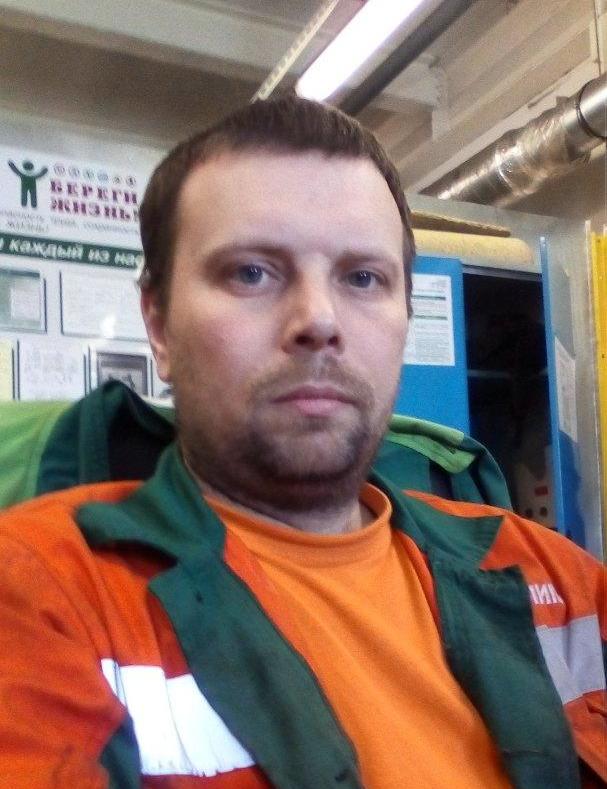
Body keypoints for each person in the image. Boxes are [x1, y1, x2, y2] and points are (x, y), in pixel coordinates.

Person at [0, 95, 604, 789]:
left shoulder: (554, 578)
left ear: (405, 317)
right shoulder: (39, 591)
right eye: (251, 272)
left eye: (362, 278)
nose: (318, 319)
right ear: (160, 326)